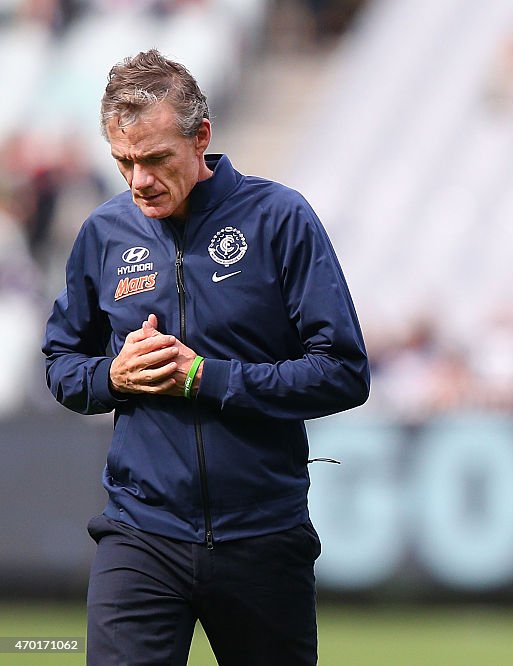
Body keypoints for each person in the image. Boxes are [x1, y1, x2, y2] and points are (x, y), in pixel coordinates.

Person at [42, 50, 370, 665]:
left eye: (156, 159)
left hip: (263, 535)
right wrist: (112, 377)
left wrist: (206, 378)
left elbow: (344, 373)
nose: (139, 180)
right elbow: (61, 364)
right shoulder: (104, 234)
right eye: (124, 162)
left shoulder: (280, 219)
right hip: (140, 532)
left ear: (202, 139)